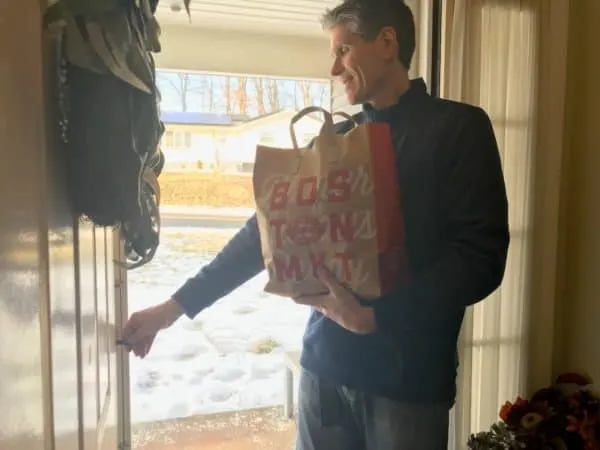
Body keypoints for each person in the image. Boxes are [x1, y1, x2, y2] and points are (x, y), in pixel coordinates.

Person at [122, 0, 510, 449]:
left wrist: (376, 316)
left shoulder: (457, 128)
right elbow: (262, 235)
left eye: (343, 50)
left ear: (387, 42)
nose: (334, 68)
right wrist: (174, 308)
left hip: (409, 381)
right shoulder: (335, 141)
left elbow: (479, 258)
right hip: (325, 370)